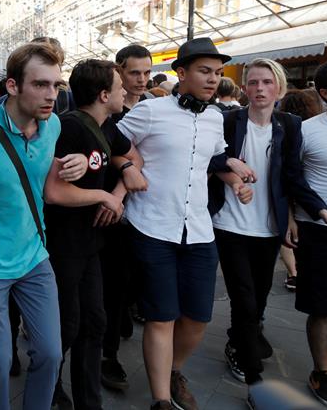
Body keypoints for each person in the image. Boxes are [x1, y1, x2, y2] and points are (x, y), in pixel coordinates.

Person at [116, 38, 253, 410]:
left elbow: (212, 159)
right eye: (204, 72)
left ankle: (174, 370)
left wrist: (235, 180)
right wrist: (127, 167)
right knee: (161, 316)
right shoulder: (151, 111)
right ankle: (161, 398)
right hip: (152, 226)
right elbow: (112, 141)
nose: (213, 79)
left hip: (199, 229)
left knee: (197, 317)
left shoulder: (214, 118)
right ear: (182, 73)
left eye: (217, 73)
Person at [0, 41, 87, 410]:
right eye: (40, 85)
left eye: (56, 86)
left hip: (34, 256)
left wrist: (72, 164)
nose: (51, 96)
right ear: (13, 86)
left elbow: (43, 182)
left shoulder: (54, 125)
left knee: (50, 353)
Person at [208, 59, 327, 404]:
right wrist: (231, 167)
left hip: (267, 228)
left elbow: (294, 176)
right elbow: (207, 156)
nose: (260, 89)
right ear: (244, 88)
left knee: (258, 300)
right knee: (244, 299)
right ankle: (255, 381)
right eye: (253, 83)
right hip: (229, 224)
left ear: (278, 88)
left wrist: (322, 212)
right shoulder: (228, 120)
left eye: (266, 82)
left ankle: (239, 343)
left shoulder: (290, 126)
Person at [43, 59, 147, 409]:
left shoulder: (107, 126)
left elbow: (131, 156)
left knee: (94, 321)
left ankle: (89, 400)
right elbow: (54, 192)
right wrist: (103, 196)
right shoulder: (69, 127)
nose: (125, 92)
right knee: (65, 324)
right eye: (119, 87)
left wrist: (120, 187)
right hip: (63, 245)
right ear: (104, 95)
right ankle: (50, 389)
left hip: (91, 244)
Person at [98, 43, 153, 392]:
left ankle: (121, 320)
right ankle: (108, 354)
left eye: (147, 73)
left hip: (145, 207)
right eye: (135, 73)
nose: (142, 80)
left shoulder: (154, 107)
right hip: (109, 210)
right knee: (112, 282)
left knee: (132, 279)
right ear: (119, 72)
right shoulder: (108, 109)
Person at [289, 59, 327, 409]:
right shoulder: (308, 130)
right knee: (324, 308)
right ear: (325, 92)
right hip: (319, 230)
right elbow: (292, 178)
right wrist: (292, 215)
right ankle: (324, 372)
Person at [278, 88, 325, 291]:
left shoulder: (294, 128)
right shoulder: (306, 129)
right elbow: (290, 175)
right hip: (310, 213)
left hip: (300, 208)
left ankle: (293, 273)